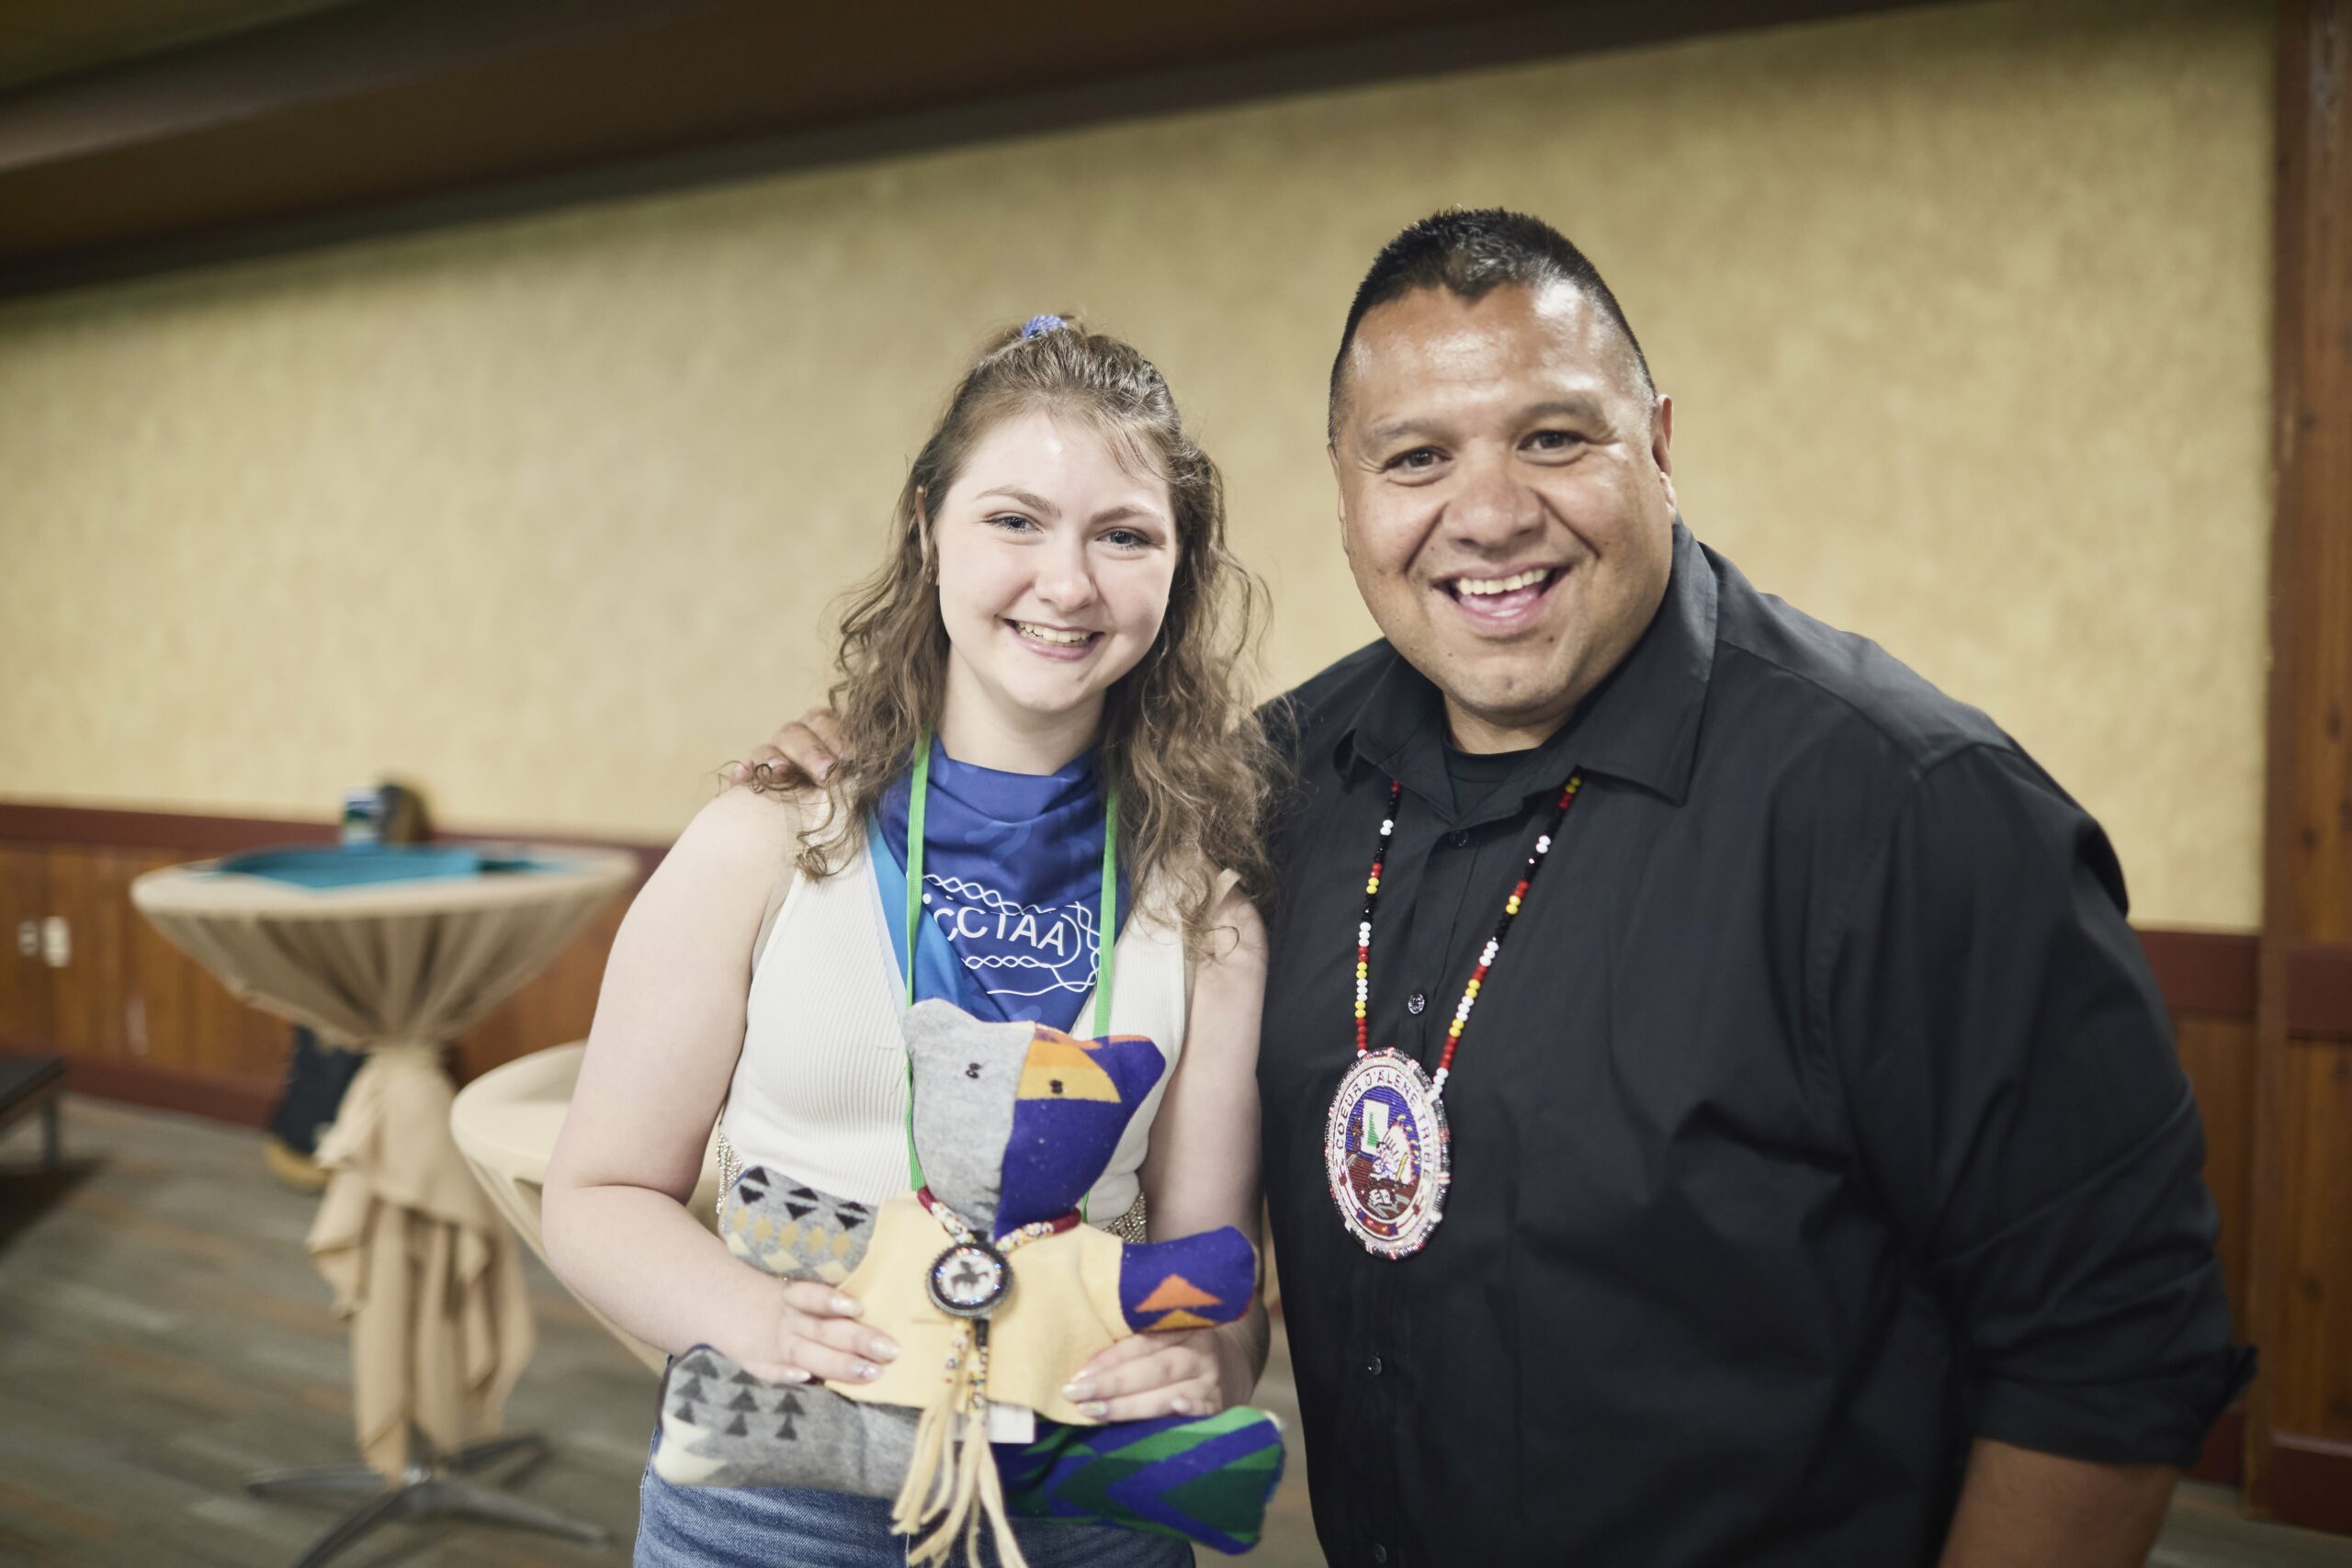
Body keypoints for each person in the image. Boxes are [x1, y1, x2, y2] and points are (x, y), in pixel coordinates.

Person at [742, 210, 2251, 1566]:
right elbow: (1047, 790)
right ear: (1347, 496)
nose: (1489, 514)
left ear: (1660, 443)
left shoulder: (1910, 814)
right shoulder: (1274, 786)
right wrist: (866, 761)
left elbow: (2112, 1351)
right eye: (1416, 460)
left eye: (1555, 439)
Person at [546, 315, 1274, 1568]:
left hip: (1080, 1520)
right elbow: (595, 1196)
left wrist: (1208, 1355)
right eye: (1016, 520)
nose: (1068, 583)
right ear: (929, 528)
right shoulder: (762, 842)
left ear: (1179, 570)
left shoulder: (1207, 915)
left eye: (1125, 535)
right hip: (771, 1513)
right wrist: (759, 1321)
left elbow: (1216, 1277)